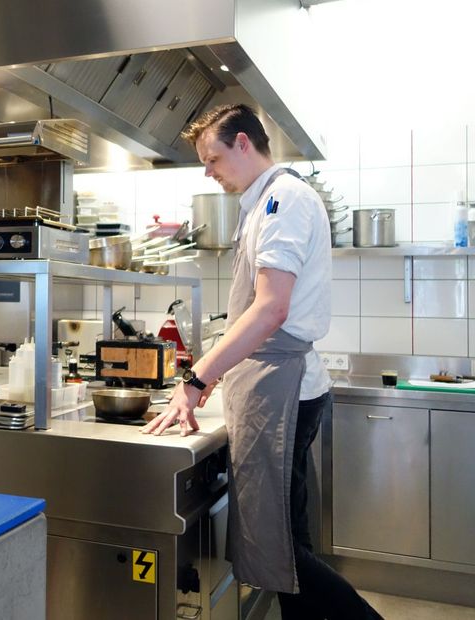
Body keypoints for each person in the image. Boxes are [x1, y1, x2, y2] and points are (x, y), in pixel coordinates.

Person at [141, 104, 381, 619]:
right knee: (288, 545)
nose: (209, 170)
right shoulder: (264, 202)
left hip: (283, 387)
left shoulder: (285, 199)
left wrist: (196, 378)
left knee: (280, 553)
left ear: (245, 144)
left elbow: (272, 307)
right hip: (276, 386)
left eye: (213, 158)